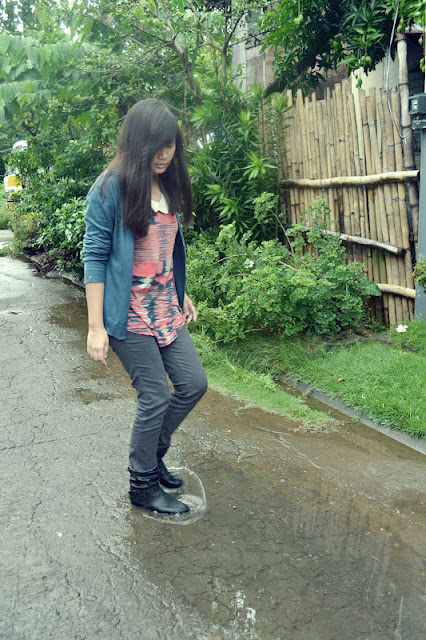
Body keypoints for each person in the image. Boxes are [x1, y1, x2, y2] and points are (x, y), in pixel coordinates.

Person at [83, 98, 208, 515]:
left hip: (165, 307)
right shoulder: (110, 187)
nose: (164, 153)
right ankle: (142, 485)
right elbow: (94, 256)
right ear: (137, 142)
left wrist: (179, 291)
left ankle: (153, 454)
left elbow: (163, 249)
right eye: (156, 145)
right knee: (154, 396)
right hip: (128, 312)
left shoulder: (167, 184)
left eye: (170, 144)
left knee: (193, 384)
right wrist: (96, 327)